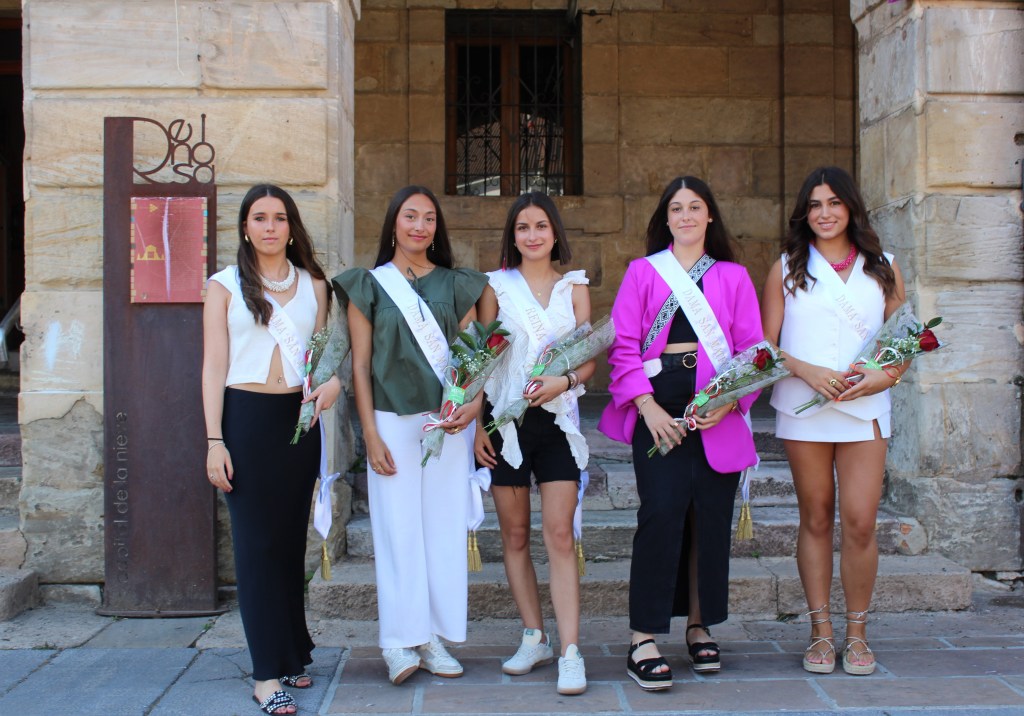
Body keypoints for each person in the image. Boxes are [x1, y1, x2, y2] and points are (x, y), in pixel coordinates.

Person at [598, 176, 762, 691]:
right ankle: (642, 637)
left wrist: (732, 400)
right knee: (662, 513)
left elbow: (753, 350)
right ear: (665, 219)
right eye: (676, 208)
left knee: (709, 520)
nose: (686, 215)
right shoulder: (643, 273)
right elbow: (623, 345)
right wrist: (645, 407)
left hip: (716, 408)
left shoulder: (734, 277)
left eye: (695, 207)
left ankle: (699, 623)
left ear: (710, 216)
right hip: (659, 408)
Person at [333, 186, 488, 686]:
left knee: (441, 530)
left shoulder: (456, 284)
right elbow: (359, 366)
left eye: (428, 218)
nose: (419, 226)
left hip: (446, 420)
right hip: (392, 422)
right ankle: (398, 641)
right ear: (394, 224)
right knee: (397, 530)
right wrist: (369, 436)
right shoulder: (370, 285)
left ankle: (433, 637)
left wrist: (474, 406)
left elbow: (470, 357)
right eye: (409, 216)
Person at [203, 184, 342, 716]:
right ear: (245, 228)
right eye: (259, 218)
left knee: (287, 543)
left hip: (298, 421)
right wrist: (214, 440)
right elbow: (214, 367)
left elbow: (326, 358)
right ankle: (265, 676)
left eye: (279, 218)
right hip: (245, 420)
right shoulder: (223, 287)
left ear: (291, 227)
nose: (269, 227)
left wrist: (331, 388)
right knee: (257, 547)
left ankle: (291, 654)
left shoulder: (314, 285)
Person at [762, 166, 906, 676]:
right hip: (806, 407)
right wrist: (807, 369)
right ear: (805, 212)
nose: (824, 213)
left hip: (865, 407)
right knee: (817, 516)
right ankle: (821, 632)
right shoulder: (785, 268)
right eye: (815, 205)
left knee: (862, 521)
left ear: (851, 207)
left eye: (834, 203)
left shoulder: (884, 265)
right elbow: (766, 349)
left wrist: (883, 377)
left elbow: (903, 341)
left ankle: (858, 633)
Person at [474, 192, 594, 695]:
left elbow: (588, 361)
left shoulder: (575, 287)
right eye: (523, 227)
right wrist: (477, 426)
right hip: (504, 424)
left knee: (559, 536)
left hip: (557, 423)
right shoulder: (495, 287)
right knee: (516, 536)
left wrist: (560, 384)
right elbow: (480, 359)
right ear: (513, 235)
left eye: (541, 225)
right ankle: (534, 636)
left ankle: (570, 650)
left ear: (554, 232)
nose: (532, 235)